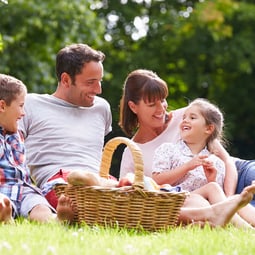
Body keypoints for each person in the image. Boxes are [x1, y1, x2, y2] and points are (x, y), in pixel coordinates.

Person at [119, 69, 255, 227]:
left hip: (234, 174)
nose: (161, 109)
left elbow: (226, 160)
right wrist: (225, 203)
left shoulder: (186, 117)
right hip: (197, 197)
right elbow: (131, 194)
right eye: (152, 104)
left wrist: (228, 199)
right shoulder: (132, 152)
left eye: (162, 100)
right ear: (133, 107)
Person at [19, 43, 112, 209]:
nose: (98, 90)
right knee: (80, 181)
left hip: (102, 182)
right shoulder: (30, 104)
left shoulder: (101, 108)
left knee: (133, 185)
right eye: (91, 82)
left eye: (100, 81)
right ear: (66, 80)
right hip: (60, 183)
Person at [0, 74, 74, 223]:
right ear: (2, 106)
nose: (23, 113)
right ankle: (6, 217)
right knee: (2, 203)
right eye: (20, 106)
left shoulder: (16, 135)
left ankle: (55, 220)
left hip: (25, 191)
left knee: (39, 207)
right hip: (3, 191)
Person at [152, 98, 226, 191]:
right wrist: (187, 166)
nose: (185, 120)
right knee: (212, 189)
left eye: (192, 118)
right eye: (184, 117)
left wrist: (211, 180)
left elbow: (216, 198)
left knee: (213, 187)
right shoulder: (168, 149)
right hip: (176, 203)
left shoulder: (216, 164)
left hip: (203, 204)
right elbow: (156, 182)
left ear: (209, 129)